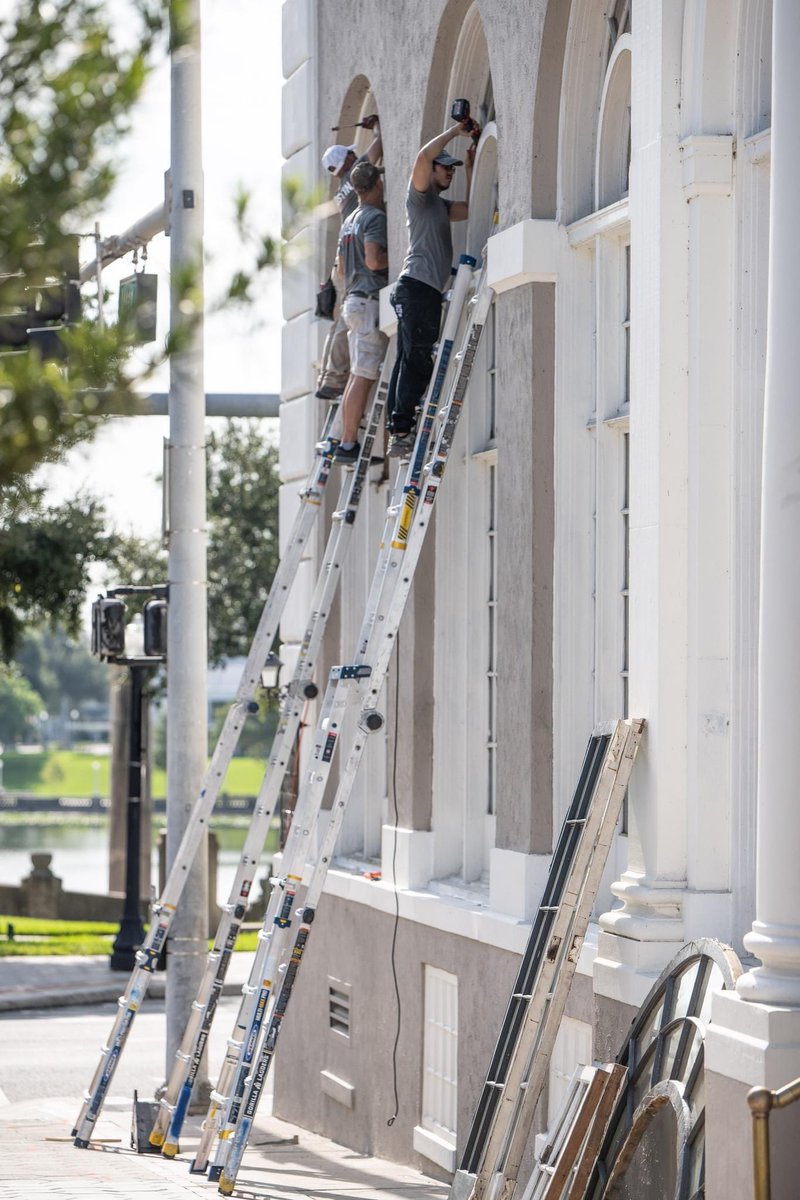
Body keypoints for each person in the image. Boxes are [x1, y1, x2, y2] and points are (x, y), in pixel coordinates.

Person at [386, 116, 477, 457]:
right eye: (446, 169)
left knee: (409, 357)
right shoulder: (420, 198)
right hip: (417, 287)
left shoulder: (439, 207)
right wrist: (456, 132)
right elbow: (422, 159)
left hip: (420, 290)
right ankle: (402, 429)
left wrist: (470, 168)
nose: (449, 173)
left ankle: (399, 426)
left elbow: (468, 209)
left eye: (452, 170)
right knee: (418, 358)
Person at [316, 117, 382, 402]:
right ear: (349, 159)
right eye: (353, 154)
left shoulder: (341, 188)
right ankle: (335, 376)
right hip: (356, 254)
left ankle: (331, 375)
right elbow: (378, 148)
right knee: (350, 314)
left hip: (343, 258)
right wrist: (376, 125)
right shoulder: (356, 172)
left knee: (345, 314)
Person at [331, 160, 389, 463]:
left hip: (353, 300)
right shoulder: (374, 217)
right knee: (364, 375)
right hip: (368, 301)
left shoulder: (349, 219)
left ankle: (347, 438)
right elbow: (374, 261)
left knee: (357, 374)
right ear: (377, 184)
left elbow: (341, 268)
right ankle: (349, 442)